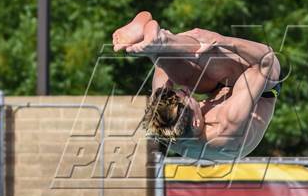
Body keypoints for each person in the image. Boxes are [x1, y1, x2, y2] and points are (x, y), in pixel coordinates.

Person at [112, 12, 282, 160]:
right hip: (263, 89)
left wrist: (156, 54)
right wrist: (222, 40)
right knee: (209, 54)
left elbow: (161, 72)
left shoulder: (167, 129)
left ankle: (158, 43)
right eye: (189, 98)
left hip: (217, 92)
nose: (187, 91)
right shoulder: (227, 123)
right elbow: (266, 61)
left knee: (179, 72)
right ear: (195, 122)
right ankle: (165, 40)